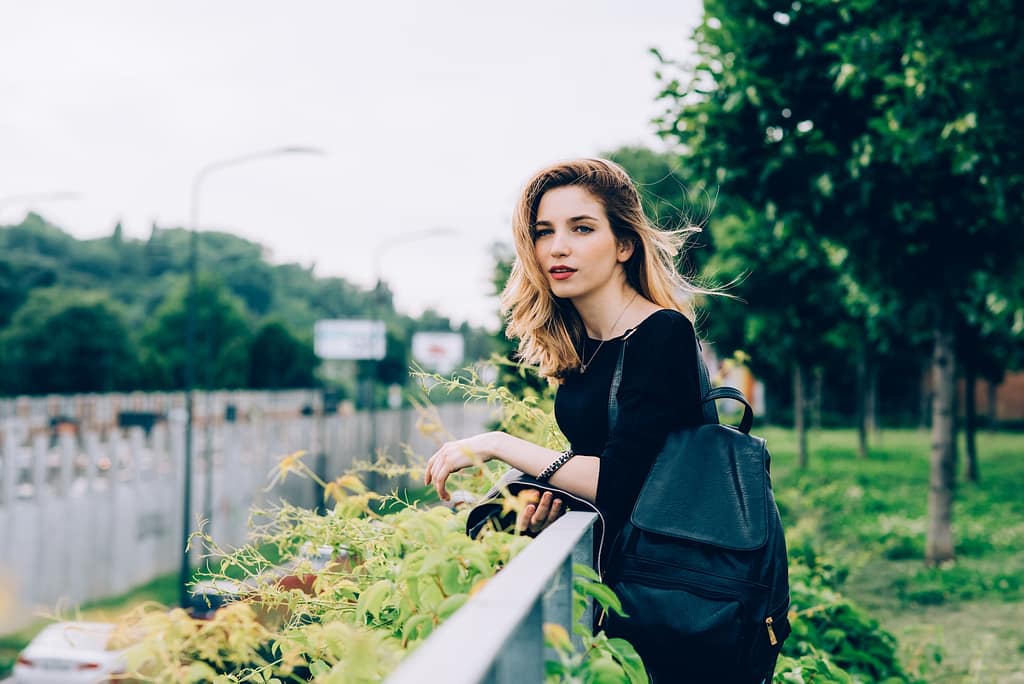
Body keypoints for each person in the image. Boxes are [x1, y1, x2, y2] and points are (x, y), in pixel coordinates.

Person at [424, 157, 708, 680]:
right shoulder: (586, 348)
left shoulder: (661, 335)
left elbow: (623, 483)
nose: (557, 247)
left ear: (624, 245)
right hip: (620, 582)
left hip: (678, 591)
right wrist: (548, 500)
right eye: (544, 232)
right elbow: (606, 466)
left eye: (582, 229)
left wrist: (498, 443)